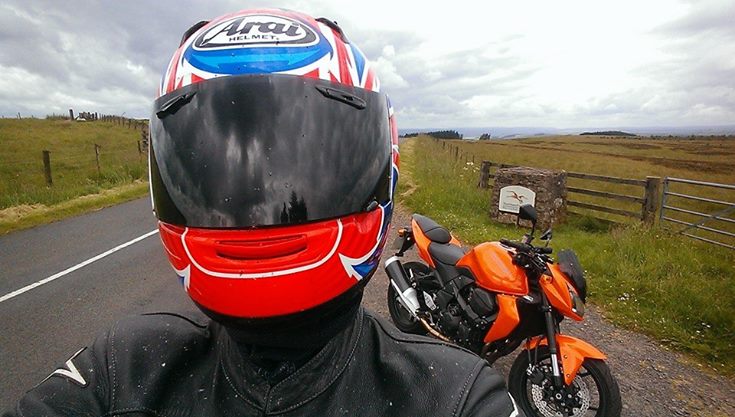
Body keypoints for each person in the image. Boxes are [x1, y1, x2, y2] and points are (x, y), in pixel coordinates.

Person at [4, 9, 521, 416]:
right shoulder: (121, 365)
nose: (258, 207)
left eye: (304, 162)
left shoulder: (459, 397)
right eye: (218, 168)